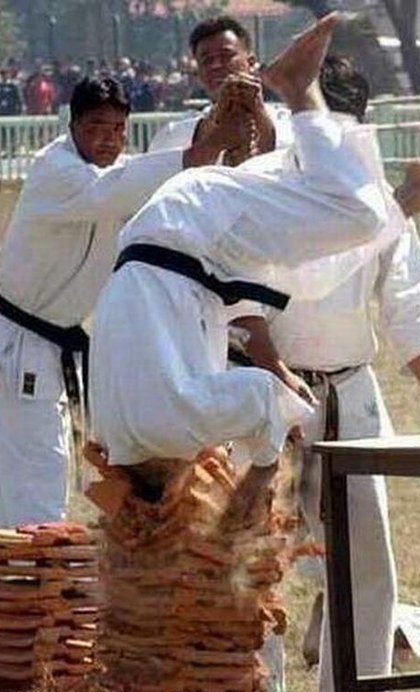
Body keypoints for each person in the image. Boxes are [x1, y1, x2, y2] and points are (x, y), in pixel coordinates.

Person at [231, 55, 420, 692]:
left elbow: (408, 295)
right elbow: (239, 298)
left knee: (366, 551)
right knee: (255, 552)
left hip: (350, 390)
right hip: (264, 388)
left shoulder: (373, 199)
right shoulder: (261, 182)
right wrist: (275, 379)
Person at [89, 14, 389, 511]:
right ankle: (402, 195)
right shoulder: (118, 435)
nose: (209, 474)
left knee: (359, 213)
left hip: (192, 231)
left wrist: (249, 491)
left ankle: (298, 86)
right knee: (331, 251)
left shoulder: (172, 428)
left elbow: (264, 394)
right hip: (183, 247)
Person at [0, 73, 245, 530]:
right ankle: (33, 568)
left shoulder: (113, 176)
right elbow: (118, 188)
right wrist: (205, 147)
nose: (108, 139)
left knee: (16, 467)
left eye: (118, 129)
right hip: (21, 342)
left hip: (47, 343)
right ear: (72, 126)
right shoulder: (56, 171)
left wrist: (211, 126)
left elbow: (147, 172)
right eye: (96, 127)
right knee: (39, 469)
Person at [149, 15, 293, 161]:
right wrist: (215, 121)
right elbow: (161, 163)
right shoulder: (176, 132)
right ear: (198, 72)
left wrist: (257, 112)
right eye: (207, 60)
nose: (216, 65)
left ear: (250, 63)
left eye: (226, 56)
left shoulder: (286, 122)